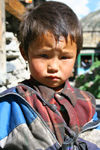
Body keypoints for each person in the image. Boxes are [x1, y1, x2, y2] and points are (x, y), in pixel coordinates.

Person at [0, 1, 100, 150]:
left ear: (76, 56)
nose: (53, 67)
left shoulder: (87, 103)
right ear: (24, 53)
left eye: (65, 57)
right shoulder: (12, 104)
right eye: (44, 55)